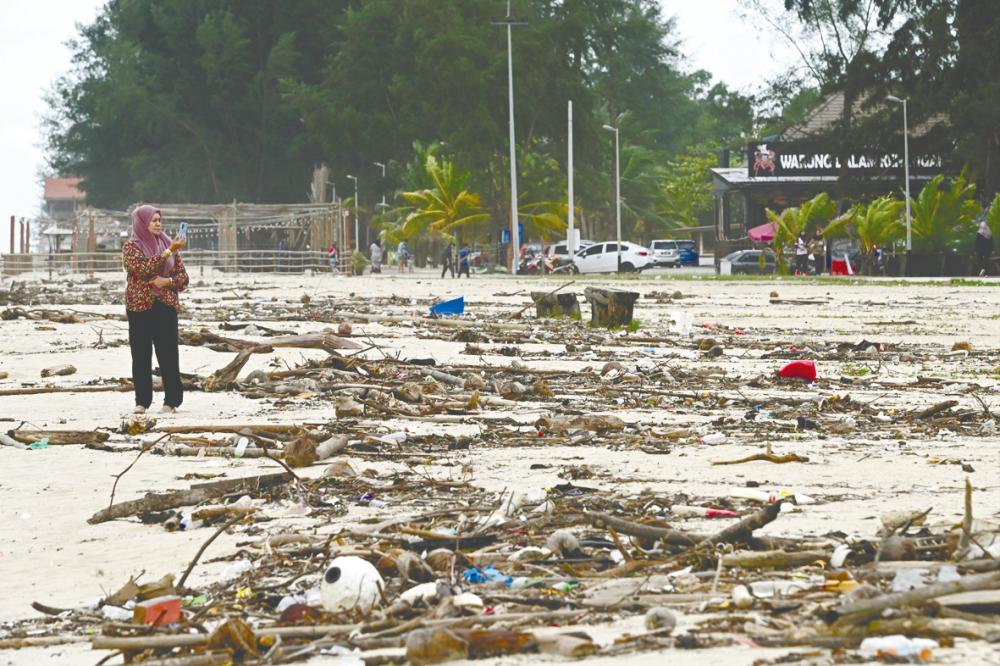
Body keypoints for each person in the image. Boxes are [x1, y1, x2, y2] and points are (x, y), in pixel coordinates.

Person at [122, 205, 188, 414]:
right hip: (139, 307)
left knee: (168, 354)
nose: (158, 223)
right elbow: (141, 268)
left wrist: (166, 282)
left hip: (165, 306)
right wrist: (169, 251)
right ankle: (142, 401)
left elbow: (183, 278)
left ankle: (172, 401)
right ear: (142, 223)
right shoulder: (131, 247)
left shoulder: (169, 245)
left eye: (160, 220)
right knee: (140, 355)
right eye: (153, 220)